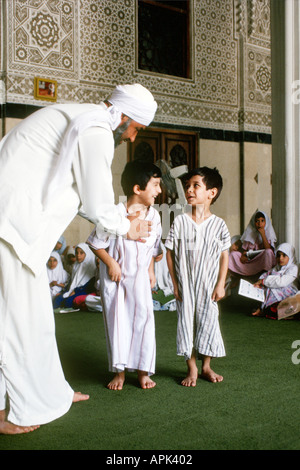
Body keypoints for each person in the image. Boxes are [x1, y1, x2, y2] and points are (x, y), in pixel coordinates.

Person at [0, 83, 157, 434]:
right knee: (11, 323)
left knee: (37, 318)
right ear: (124, 117)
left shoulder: (83, 117)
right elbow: (96, 201)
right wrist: (125, 227)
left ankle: (52, 391)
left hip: (15, 229)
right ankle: (8, 411)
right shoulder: (97, 128)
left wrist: (119, 220)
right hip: (7, 228)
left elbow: (83, 196)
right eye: (136, 129)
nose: (132, 138)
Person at [87, 160, 162, 390]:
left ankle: (142, 372)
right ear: (137, 189)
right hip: (116, 281)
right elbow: (95, 243)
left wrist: (150, 270)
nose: (159, 190)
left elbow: (153, 249)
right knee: (118, 323)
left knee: (144, 322)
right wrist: (110, 263)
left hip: (140, 279)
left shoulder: (155, 216)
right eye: (156, 185)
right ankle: (119, 372)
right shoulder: (114, 214)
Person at [165, 167, 231, 386]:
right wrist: (175, 284)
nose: (189, 190)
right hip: (185, 284)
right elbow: (169, 252)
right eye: (187, 186)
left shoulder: (219, 224)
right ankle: (191, 368)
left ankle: (206, 367)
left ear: (211, 192)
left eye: (195, 185)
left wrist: (221, 284)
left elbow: (224, 256)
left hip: (209, 285)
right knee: (186, 323)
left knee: (209, 321)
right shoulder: (180, 221)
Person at [252, 243, 299, 318]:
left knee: (272, 287)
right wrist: (260, 282)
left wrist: (263, 281)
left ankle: (266, 309)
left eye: (284, 255)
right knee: (267, 288)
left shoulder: (293, 268)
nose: (280, 258)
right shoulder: (276, 268)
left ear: (290, 256)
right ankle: (262, 308)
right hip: (278, 294)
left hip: (288, 295)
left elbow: (282, 282)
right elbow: (266, 275)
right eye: (278, 255)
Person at [228, 210, 277, 279]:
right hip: (250, 260)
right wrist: (243, 255)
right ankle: (238, 276)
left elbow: (268, 249)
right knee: (233, 254)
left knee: (268, 252)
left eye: (262, 221)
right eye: (257, 221)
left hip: (261, 261)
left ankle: (263, 276)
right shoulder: (250, 234)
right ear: (253, 222)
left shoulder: (268, 234)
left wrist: (263, 234)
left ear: (266, 222)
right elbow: (243, 249)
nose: (259, 223)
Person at [53, 243, 96, 310]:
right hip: (73, 289)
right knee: (57, 299)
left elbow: (90, 285)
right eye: (76, 253)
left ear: (87, 253)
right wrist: (65, 290)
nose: (78, 255)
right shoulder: (76, 265)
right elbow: (72, 281)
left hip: (84, 290)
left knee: (68, 302)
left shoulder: (91, 266)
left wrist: (76, 291)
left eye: (81, 253)